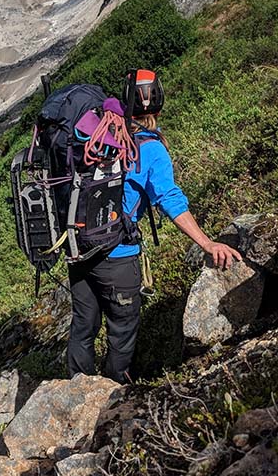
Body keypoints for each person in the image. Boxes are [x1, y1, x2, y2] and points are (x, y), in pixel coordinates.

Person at [66, 68, 243, 383]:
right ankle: (113, 393)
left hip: (78, 247)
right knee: (122, 327)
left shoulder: (99, 138)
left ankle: (76, 388)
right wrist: (207, 243)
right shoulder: (150, 148)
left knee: (84, 324)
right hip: (117, 256)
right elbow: (170, 199)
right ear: (158, 103)